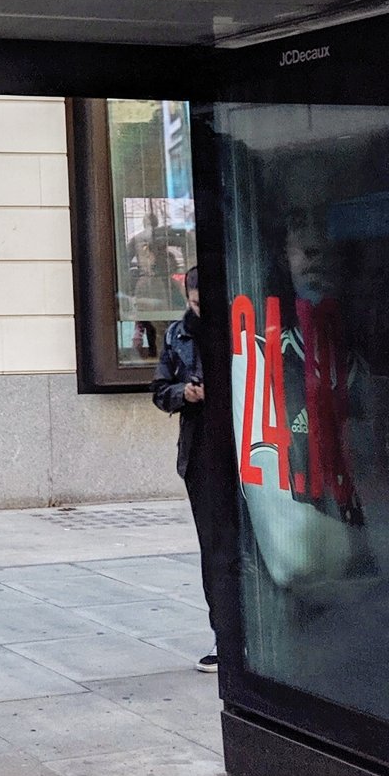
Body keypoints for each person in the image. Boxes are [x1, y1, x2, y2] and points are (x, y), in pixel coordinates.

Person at [152, 265, 239, 671]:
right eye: (194, 303)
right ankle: (226, 639)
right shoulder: (176, 334)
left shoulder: (237, 326)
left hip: (243, 450)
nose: (201, 311)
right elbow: (160, 391)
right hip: (200, 454)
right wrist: (184, 393)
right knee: (215, 550)